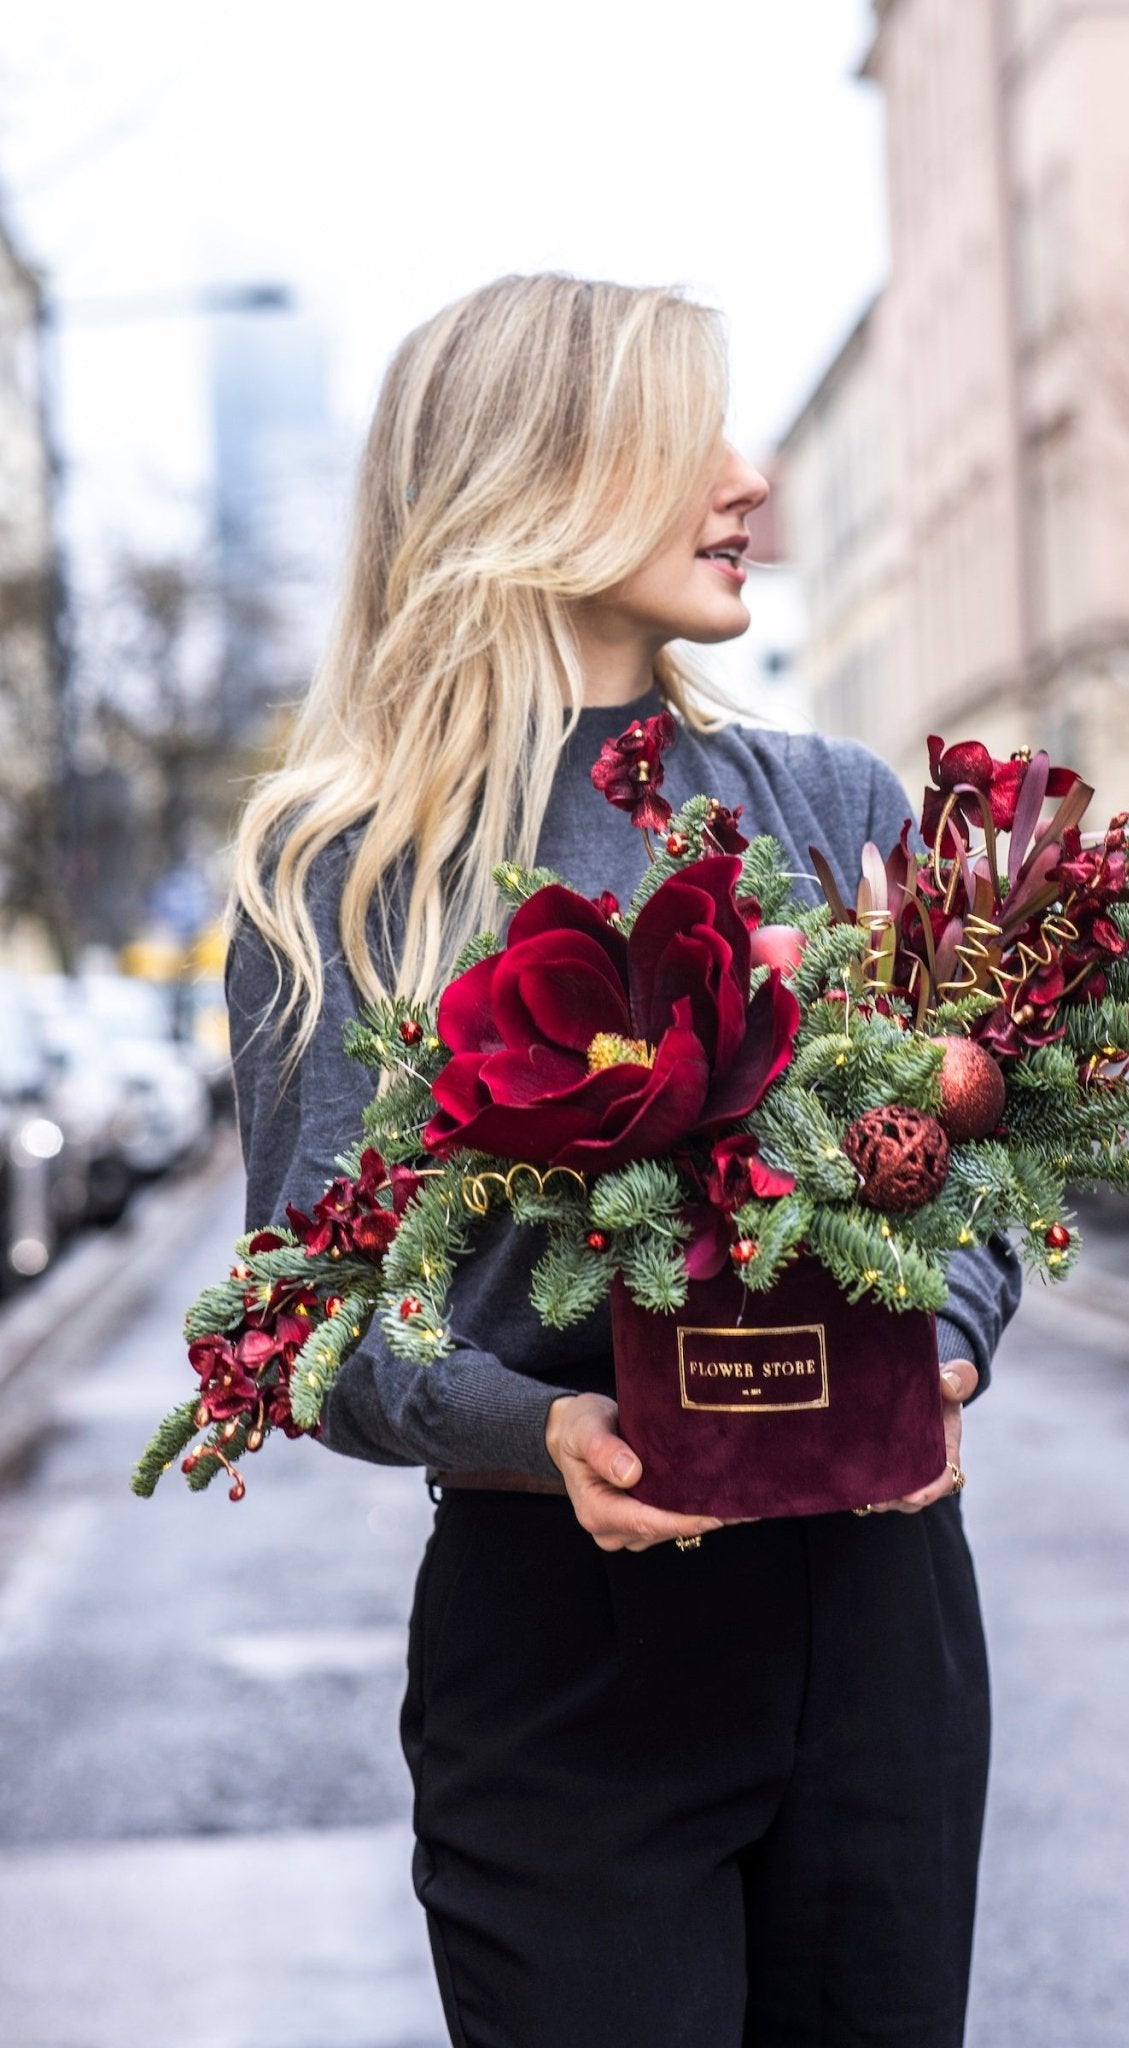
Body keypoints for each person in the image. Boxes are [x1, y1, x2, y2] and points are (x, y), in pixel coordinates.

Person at [225, 274, 1023, 2048]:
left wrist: (950, 1340)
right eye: (695, 441)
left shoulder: (837, 807)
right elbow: (318, 1323)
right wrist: (542, 1432)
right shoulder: (349, 873)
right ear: (542, 473)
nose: (748, 484)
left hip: (874, 1622)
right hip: (562, 1653)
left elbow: (972, 1169)